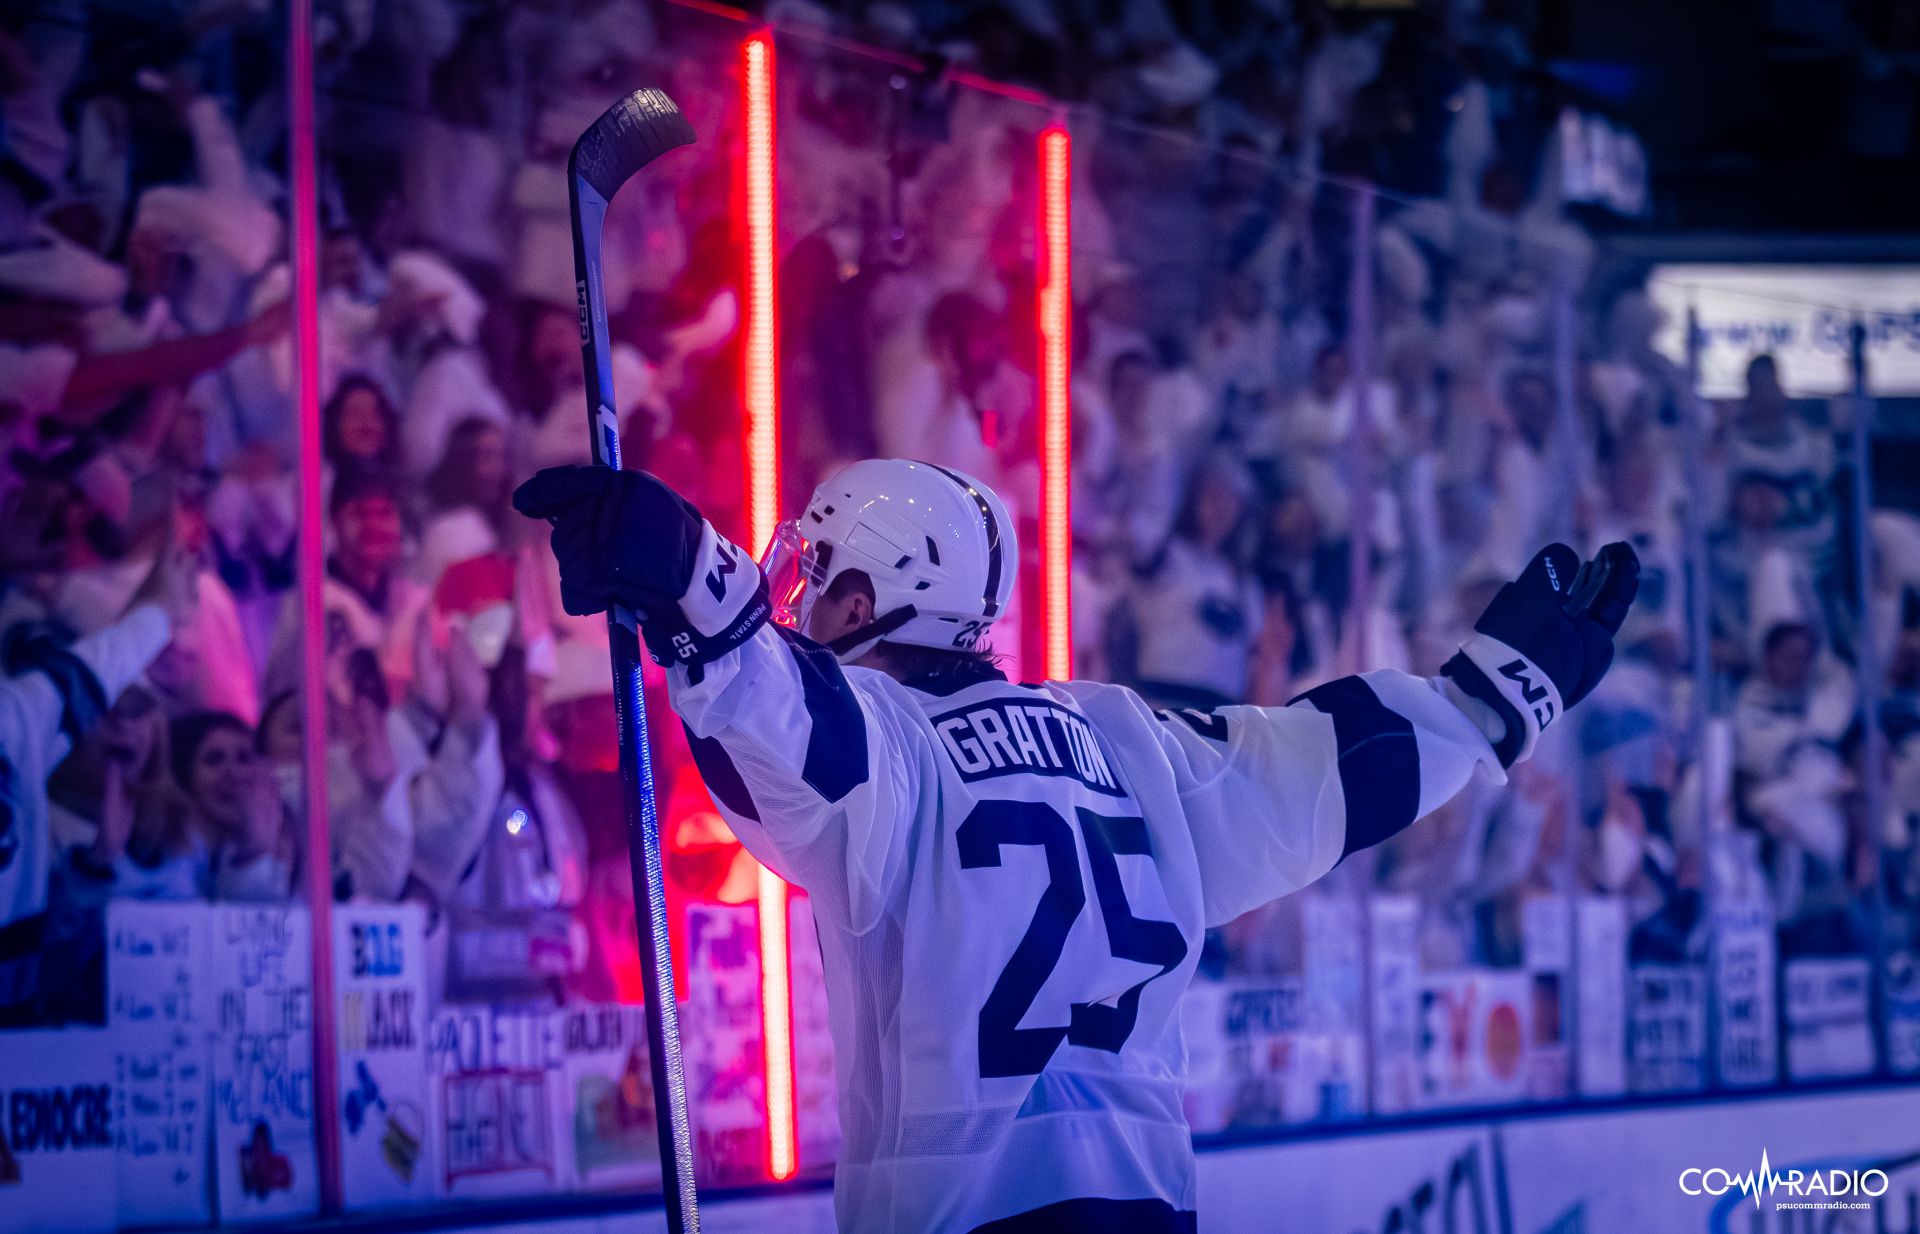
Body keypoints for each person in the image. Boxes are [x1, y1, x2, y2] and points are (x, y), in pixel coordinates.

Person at [514, 458, 1638, 1234]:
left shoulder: (895, 748)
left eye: (819, 578)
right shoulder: (1123, 734)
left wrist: (693, 588)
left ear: (871, 593)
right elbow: (1321, 770)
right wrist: (1483, 705)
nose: (800, 601)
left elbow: (790, 725)